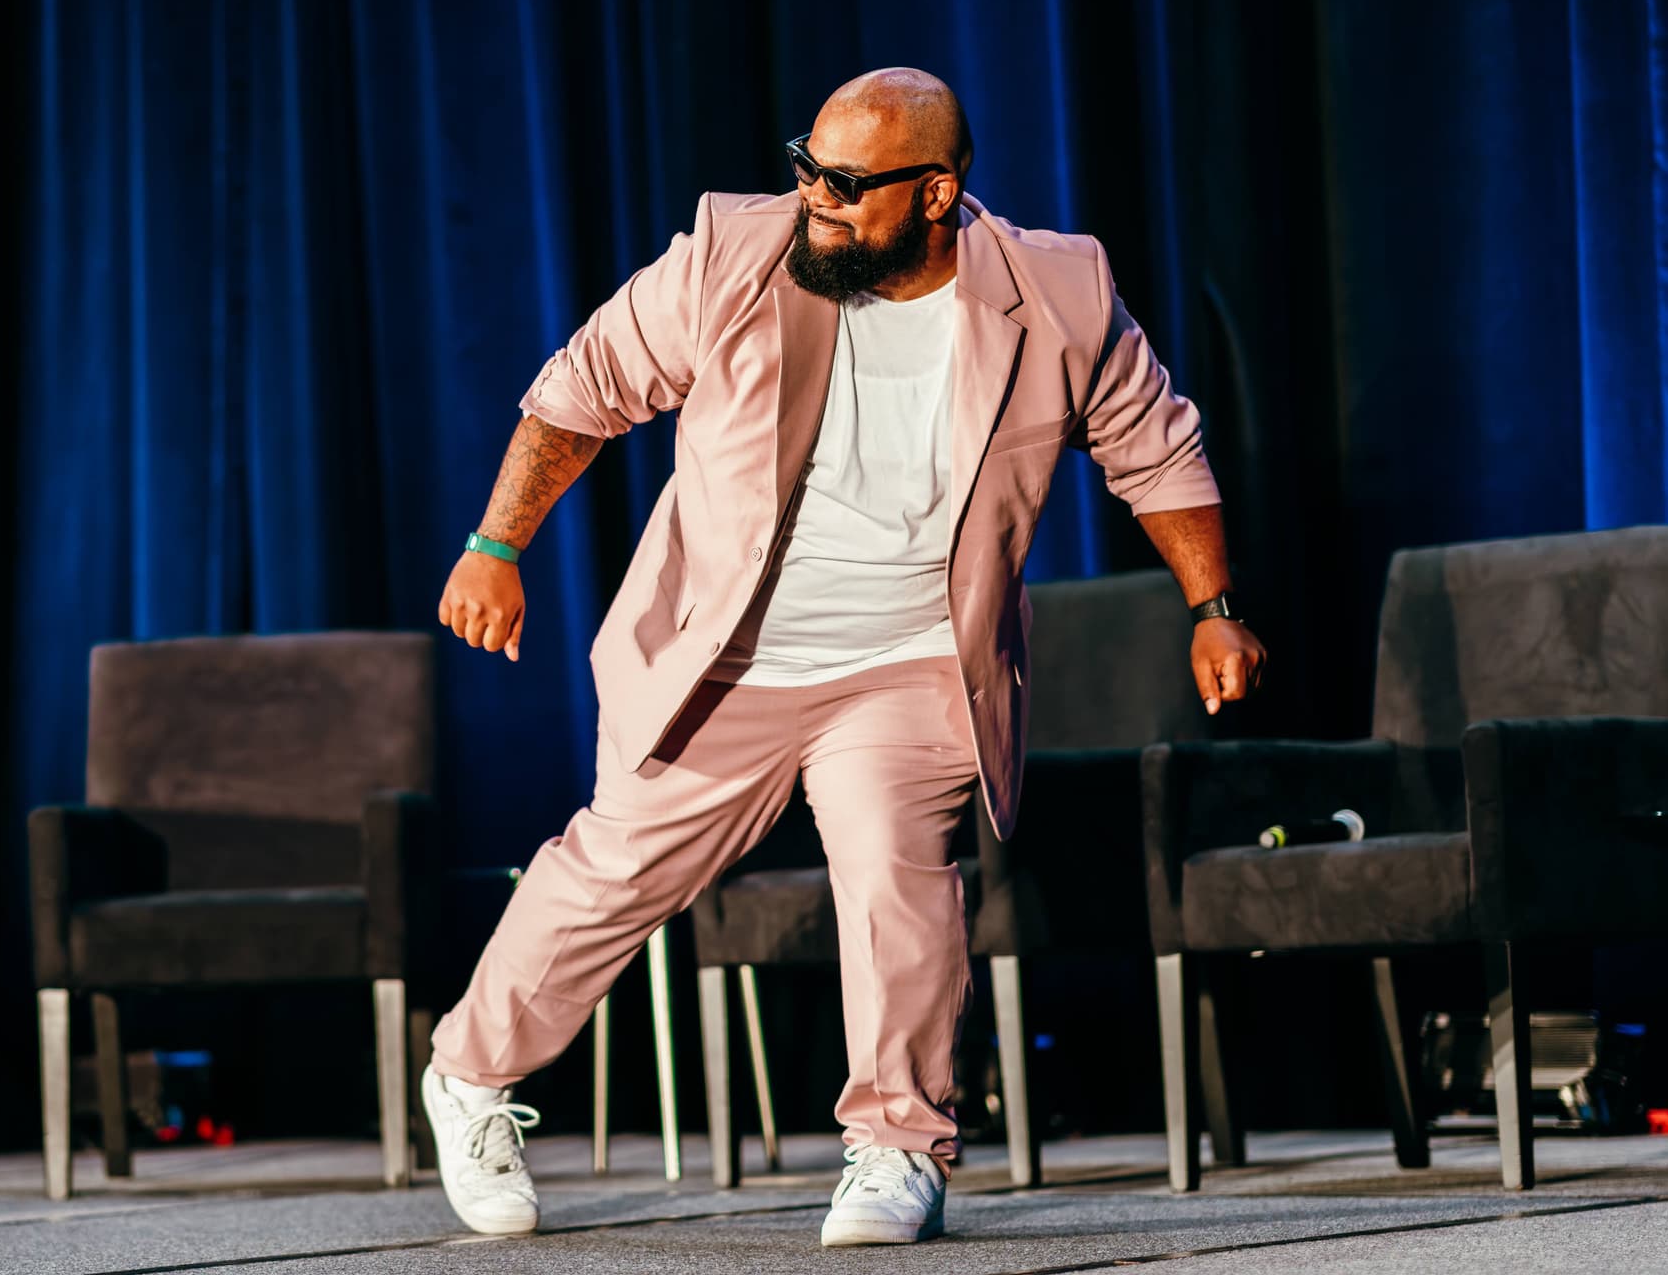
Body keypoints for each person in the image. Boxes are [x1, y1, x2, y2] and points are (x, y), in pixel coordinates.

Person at [422, 67, 1266, 1247]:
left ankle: (897, 1141)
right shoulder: (735, 253)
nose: (813, 197)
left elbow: (1154, 447)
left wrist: (1212, 603)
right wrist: (495, 542)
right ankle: (468, 1074)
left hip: (914, 655)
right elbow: (587, 386)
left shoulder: (1056, 293)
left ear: (937, 192)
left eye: (846, 184)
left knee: (897, 874)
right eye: (806, 166)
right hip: (730, 657)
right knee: (616, 870)